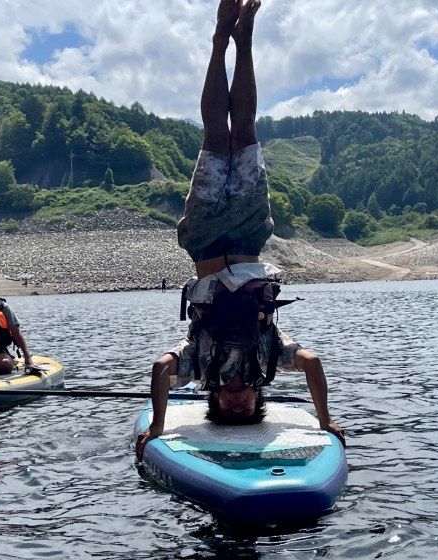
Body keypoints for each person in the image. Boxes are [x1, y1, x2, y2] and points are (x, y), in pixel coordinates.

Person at [136, 0, 344, 460]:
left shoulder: (199, 365)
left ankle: (218, 41)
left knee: (215, 137)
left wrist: (157, 425)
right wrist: (325, 420)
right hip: (250, 237)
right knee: (245, 131)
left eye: (227, 408)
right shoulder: (270, 357)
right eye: (243, 408)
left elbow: (159, 367)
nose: (234, 401)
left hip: (207, 238)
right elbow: (310, 362)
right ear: (256, 404)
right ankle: (244, 36)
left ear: (213, 403)